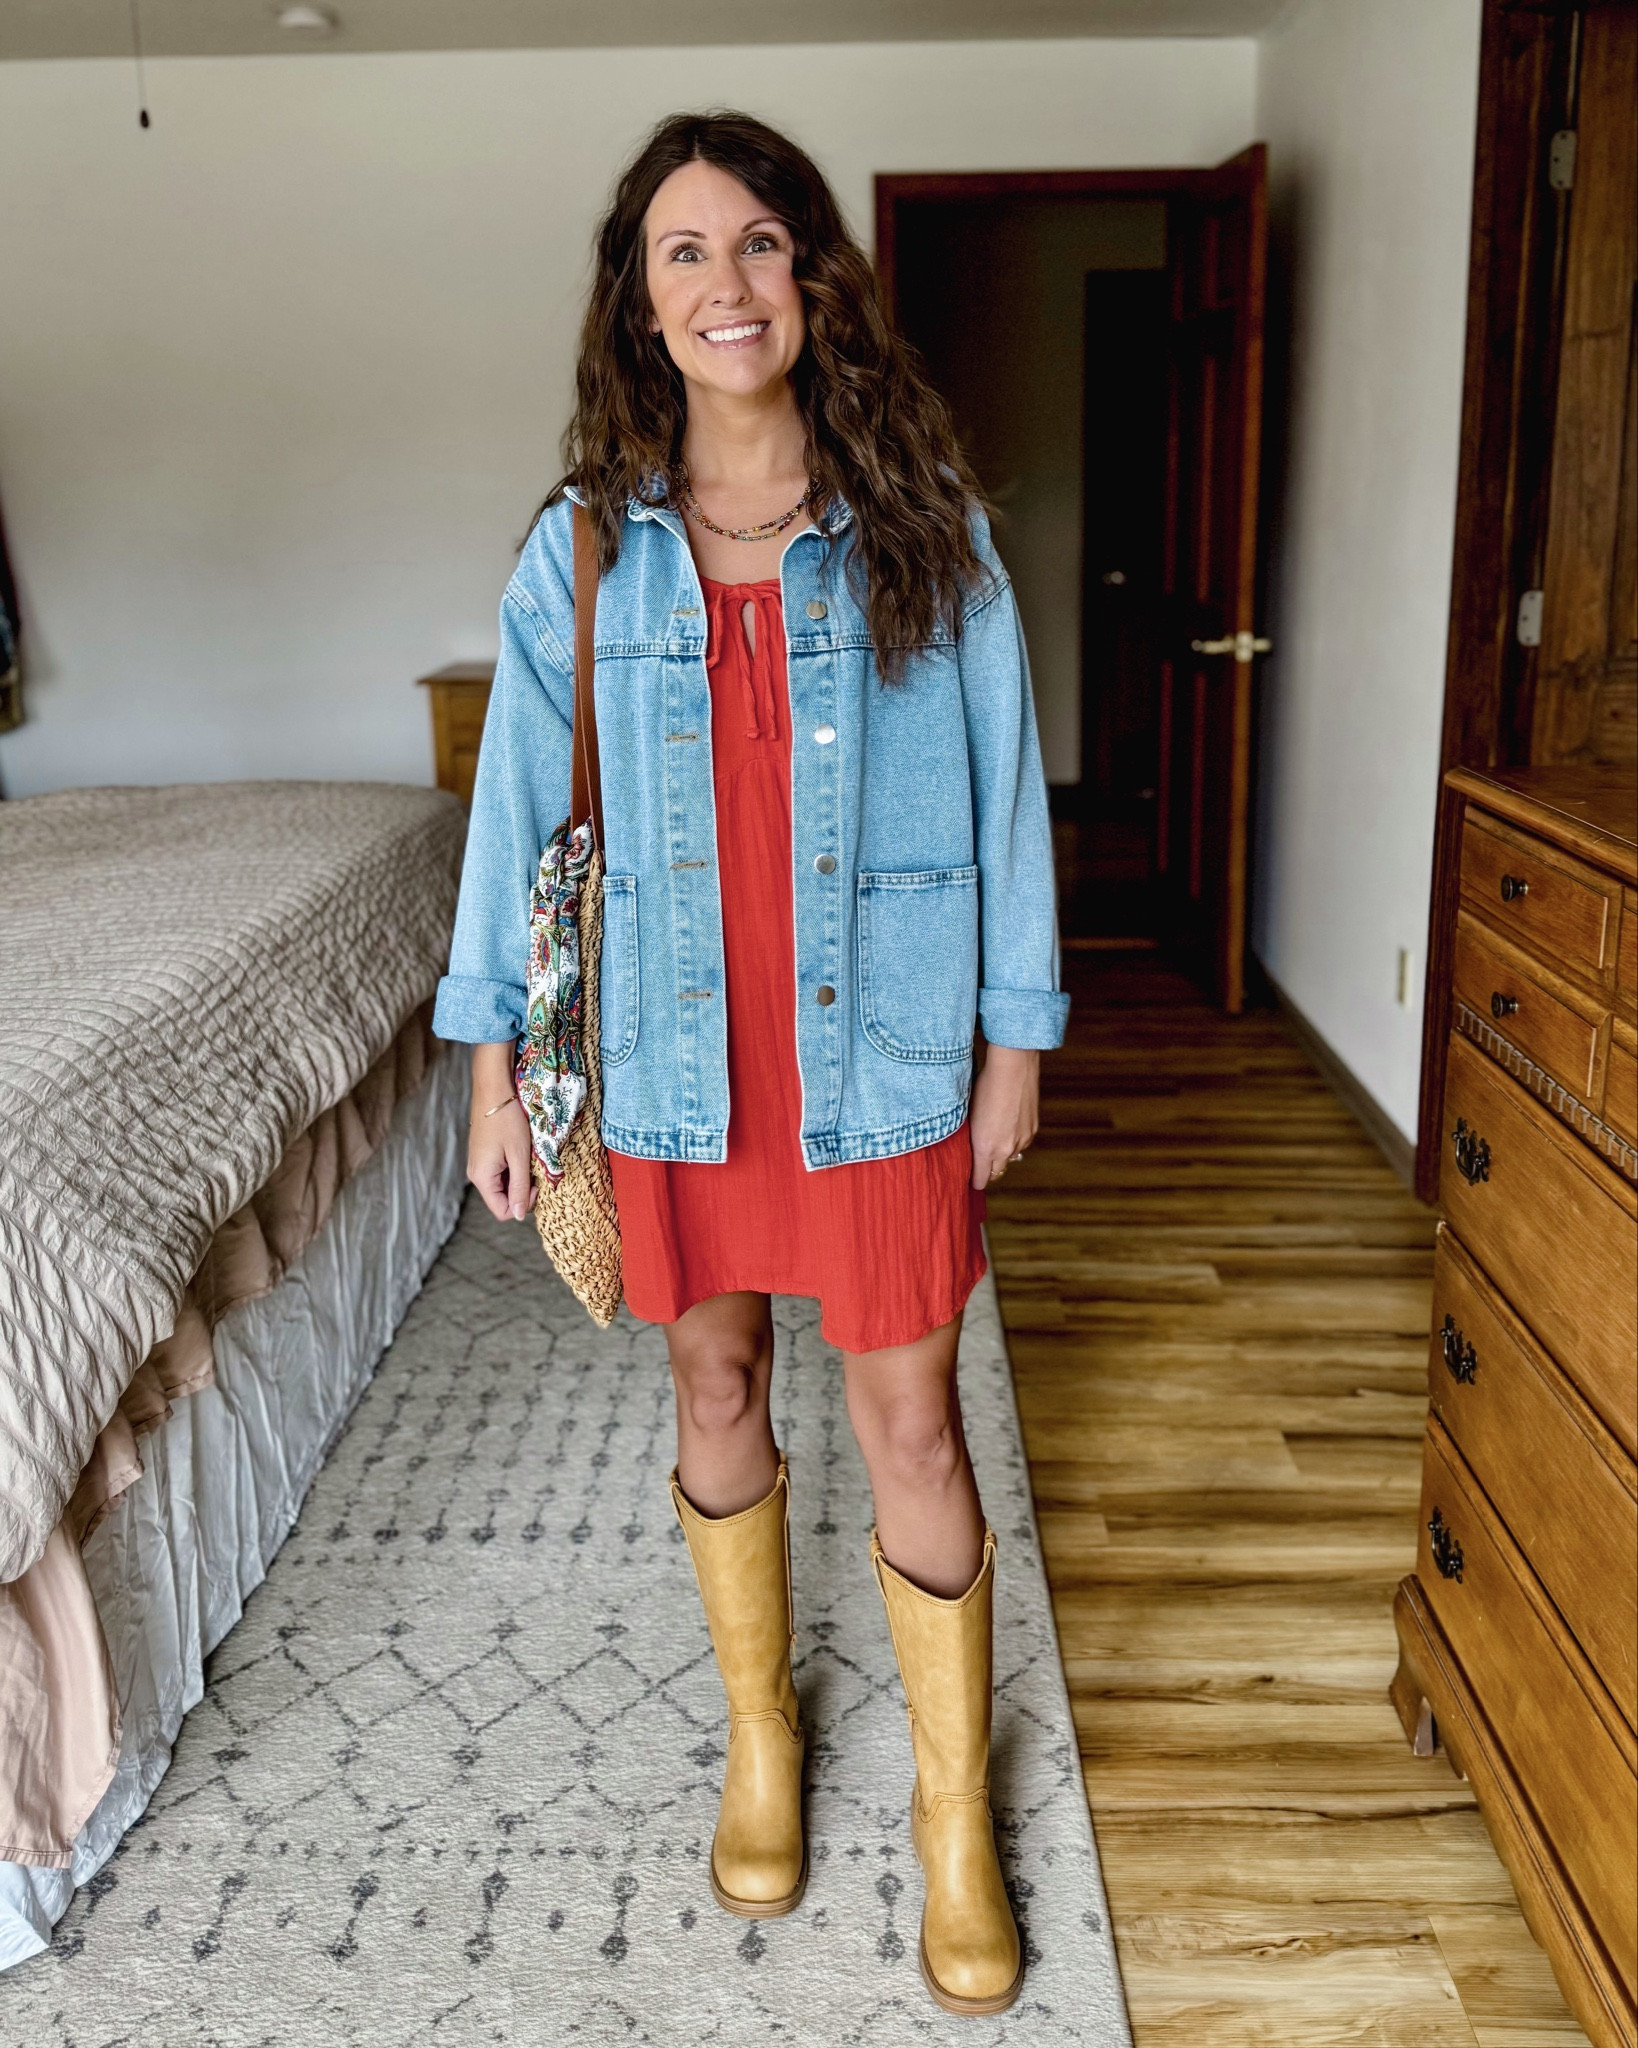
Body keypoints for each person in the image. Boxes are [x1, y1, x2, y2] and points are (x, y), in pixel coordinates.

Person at [433, 110, 1067, 2018]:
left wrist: (1012, 1035)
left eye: (764, 244)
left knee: (916, 1426)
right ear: (641, 303)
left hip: (880, 1054)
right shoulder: (581, 551)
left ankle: (954, 1817)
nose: (730, 283)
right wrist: (491, 1067)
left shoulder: (925, 529)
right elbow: (518, 820)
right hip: (668, 1057)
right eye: (687, 253)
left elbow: (1009, 797)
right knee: (712, 1383)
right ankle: (762, 1743)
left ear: (814, 286)